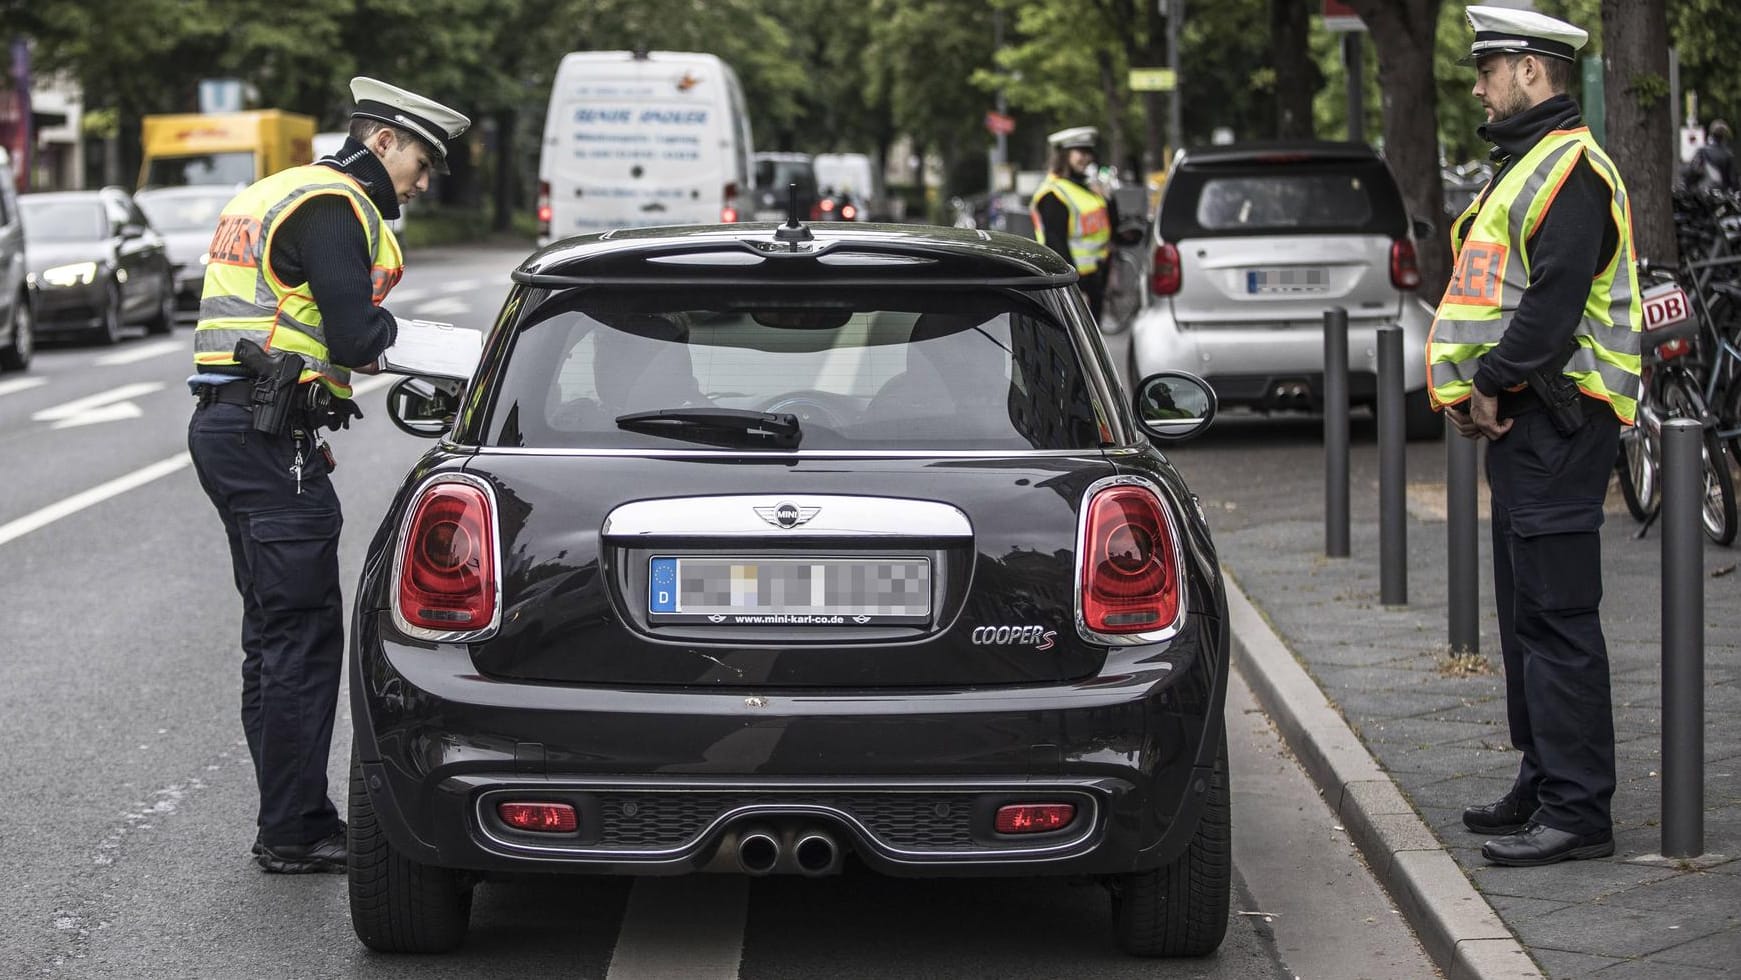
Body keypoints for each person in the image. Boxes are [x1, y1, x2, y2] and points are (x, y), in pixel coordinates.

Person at [187, 77, 469, 874]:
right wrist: (459, 358)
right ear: (382, 141)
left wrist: (310, 411)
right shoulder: (336, 205)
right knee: (303, 637)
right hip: (267, 437)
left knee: (273, 636)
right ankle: (295, 830)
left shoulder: (276, 190)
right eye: (421, 159)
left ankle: (289, 817)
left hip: (237, 427)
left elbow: (283, 323)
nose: (424, 179)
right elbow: (352, 334)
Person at [1426, 6, 1641, 868]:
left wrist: (1484, 382)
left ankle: (1579, 811)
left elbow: (1549, 311)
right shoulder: (1525, 167)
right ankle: (1541, 777)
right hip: (1527, 426)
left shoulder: (1570, 172)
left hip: (1556, 418)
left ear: (1529, 69)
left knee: (1556, 620)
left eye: (1487, 70)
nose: (1477, 87)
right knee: (1526, 618)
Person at [1030, 126, 1119, 322]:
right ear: (1064, 155)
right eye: (1081, 153)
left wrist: (1108, 198)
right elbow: (1056, 244)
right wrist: (1074, 289)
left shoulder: (1087, 187)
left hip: (1096, 279)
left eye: (1089, 153)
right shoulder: (1053, 194)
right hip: (1075, 283)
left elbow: (1111, 228)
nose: (1087, 158)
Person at [1686, 120, 1736, 192]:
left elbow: (1692, 172)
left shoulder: (1702, 151)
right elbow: (1733, 180)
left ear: (1711, 134)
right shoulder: (1728, 154)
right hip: (1722, 195)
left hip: (1703, 194)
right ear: (1724, 136)